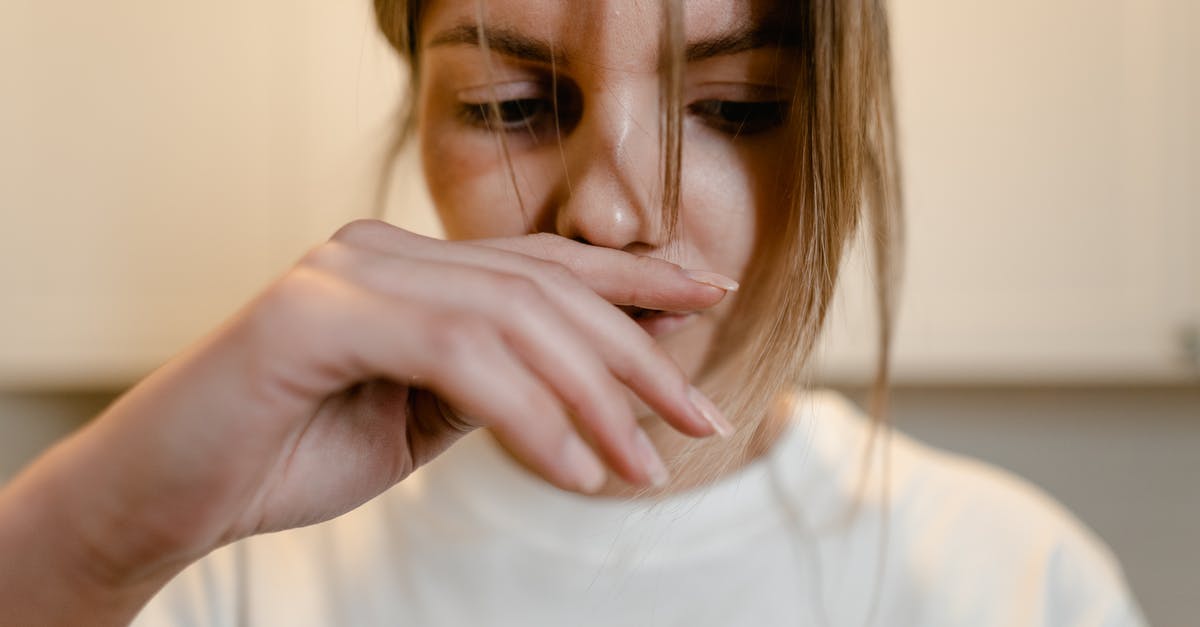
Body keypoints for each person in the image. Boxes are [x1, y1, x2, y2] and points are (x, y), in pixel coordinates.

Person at [0, 0, 1146, 625]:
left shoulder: (1016, 583)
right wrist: (83, 546)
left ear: (842, 130)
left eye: (737, 108)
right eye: (510, 105)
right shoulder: (222, 574)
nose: (608, 213)